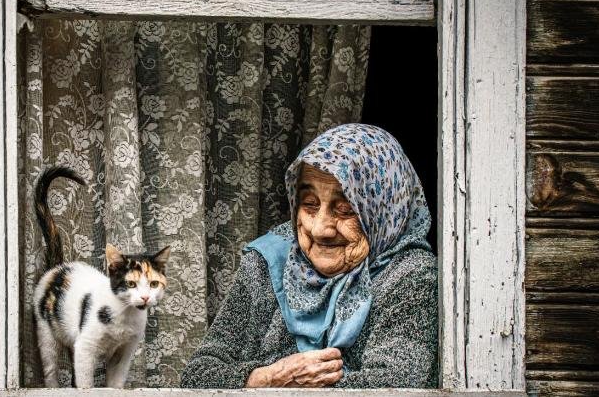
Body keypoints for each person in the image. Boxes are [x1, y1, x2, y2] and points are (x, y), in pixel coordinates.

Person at [180, 124, 438, 388]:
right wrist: (267, 378)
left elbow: (398, 386)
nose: (320, 229)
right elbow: (198, 375)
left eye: (345, 209)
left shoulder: (410, 276)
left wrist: (295, 387)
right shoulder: (269, 261)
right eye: (310, 205)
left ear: (383, 210)